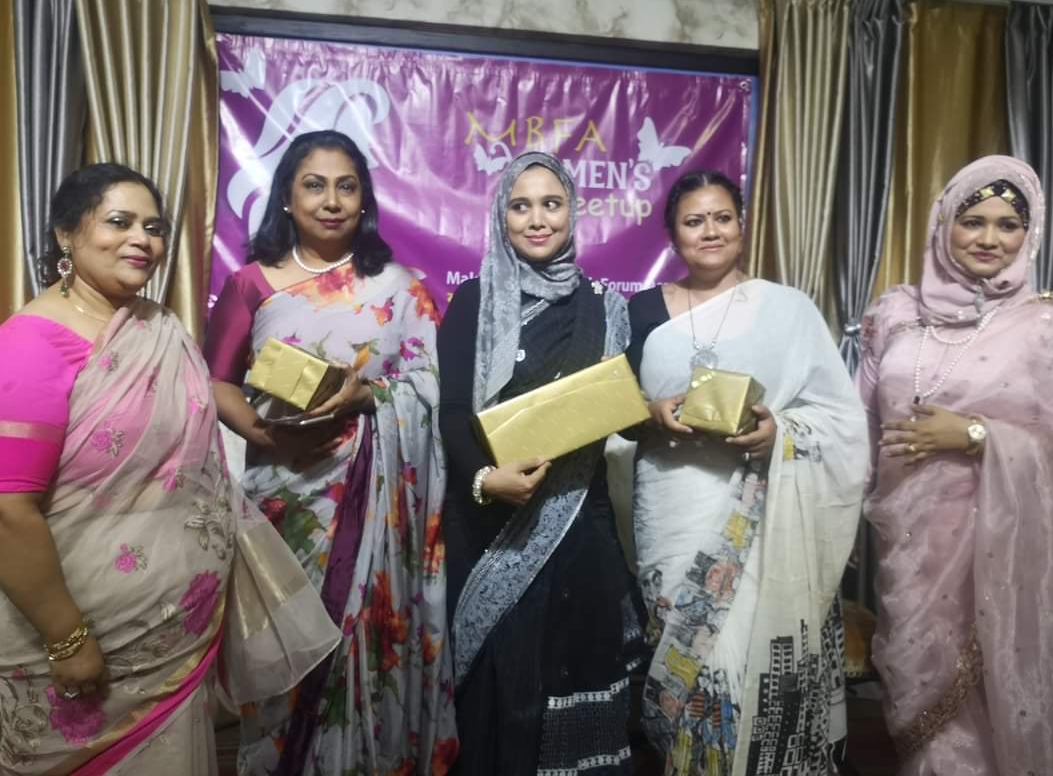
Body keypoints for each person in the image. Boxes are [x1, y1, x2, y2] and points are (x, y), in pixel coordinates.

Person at [0, 163, 336, 775]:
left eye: (153, 228)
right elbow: (8, 510)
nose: (142, 240)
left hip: (174, 639)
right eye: (119, 222)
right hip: (82, 642)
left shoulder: (159, 328)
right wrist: (68, 638)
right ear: (67, 234)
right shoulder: (32, 344)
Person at [204, 130, 457, 775]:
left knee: (366, 645)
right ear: (287, 197)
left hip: (379, 505)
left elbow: (434, 388)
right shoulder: (251, 284)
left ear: (364, 200)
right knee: (286, 655)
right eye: (314, 185)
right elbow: (217, 382)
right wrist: (263, 434)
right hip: (285, 495)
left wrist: (368, 395)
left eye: (347, 186)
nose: (332, 200)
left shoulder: (400, 288)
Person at [626, 170, 867, 774]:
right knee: (689, 667)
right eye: (694, 221)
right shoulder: (640, 310)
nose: (710, 231)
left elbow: (839, 419)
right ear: (672, 235)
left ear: (742, 225)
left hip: (767, 513)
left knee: (755, 667)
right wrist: (650, 414)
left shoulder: (787, 310)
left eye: (722, 218)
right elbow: (614, 415)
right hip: (673, 509)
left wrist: (778, 434)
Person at [857, 155, 1053, 773]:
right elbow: (856, 427)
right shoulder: (894, 314)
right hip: (907, 546)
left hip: (1004, 553)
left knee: (992, 702)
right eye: (973, 220)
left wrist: (977, 435)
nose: (989, 239)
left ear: (1029, 235)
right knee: (916, 695)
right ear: (944, 223)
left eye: (1009, 225)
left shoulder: (1050, 327)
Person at [438, 151, 643, 774]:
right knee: (499, 685)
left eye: (551, 204)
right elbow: (452, 410)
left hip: (579, 524)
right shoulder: (474, 300)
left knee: (575, 670)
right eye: (520, 206)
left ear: (572, 212)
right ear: (500, 217)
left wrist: (651, 409)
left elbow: (617, 413)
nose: (536, 219)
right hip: (491, 521)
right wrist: (485, 478)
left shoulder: (604, 307)